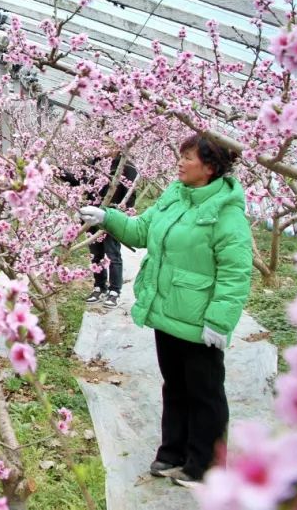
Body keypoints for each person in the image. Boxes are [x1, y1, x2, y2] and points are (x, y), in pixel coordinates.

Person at [80, 134, 252, 488]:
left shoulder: (226, 212)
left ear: (210, 167)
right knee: (175, 386)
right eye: (180, 155)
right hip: (167, 310)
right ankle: (173, 452)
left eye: (188, 157)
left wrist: (219, 320)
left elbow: (235, 273)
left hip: (199, 319)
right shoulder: (175, 195)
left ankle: (205, 465)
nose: (179, 162)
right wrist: (107, 217)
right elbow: (142, 230)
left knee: (205, 393)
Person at [62, 152, 138, 309]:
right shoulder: (94, 161)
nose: (103, 146)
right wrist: (59, 172)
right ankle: (99, 286)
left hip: (111, 216)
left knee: (113, 254)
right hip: (91, 216)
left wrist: (121, 215)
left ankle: (115, 290)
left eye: (107, 142)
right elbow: (80, 181)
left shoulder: (126, 164)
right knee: (96, 254)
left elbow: (130, 193)